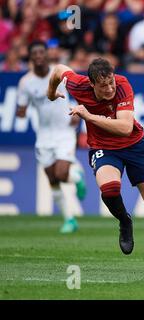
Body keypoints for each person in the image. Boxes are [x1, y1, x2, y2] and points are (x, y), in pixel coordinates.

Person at [46, 57, 144, 272]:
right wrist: (51, 93)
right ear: (91, 84)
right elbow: (58, 70)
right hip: (104, 148)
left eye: (111, 83)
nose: (109, 88)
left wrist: (88, 116)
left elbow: (126, 128)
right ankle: (125, 221)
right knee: (109, 190)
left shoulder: (122, 85)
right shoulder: (77, 85)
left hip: (135, 146)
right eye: (103, 85)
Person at [16, 40, 86, 234]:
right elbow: (21, 109)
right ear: (30, 57)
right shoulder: (26, 83)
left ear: (47, 55)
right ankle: (69, 220)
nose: (38, 56)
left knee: (62, 173)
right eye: (34, 53)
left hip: (64, 131)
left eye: (41, 52)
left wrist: (78, 113)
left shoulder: (60, 73)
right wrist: (20, 111)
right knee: (52, 178)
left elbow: (80, 90)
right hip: (44, 135)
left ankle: (76, 176)